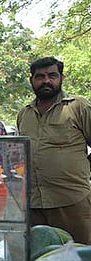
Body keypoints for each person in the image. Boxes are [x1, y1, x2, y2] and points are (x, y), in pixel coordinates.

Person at [17, 56, 91, 244]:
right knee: (42, 259)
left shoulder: (78, 107)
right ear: (31, 80)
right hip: (33, 205)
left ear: (61, 78)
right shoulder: (24, 114)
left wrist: (81, 173)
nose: (46, 81)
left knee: (81, 260)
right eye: (40, 76)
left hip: (72, 202)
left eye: (52, 75)